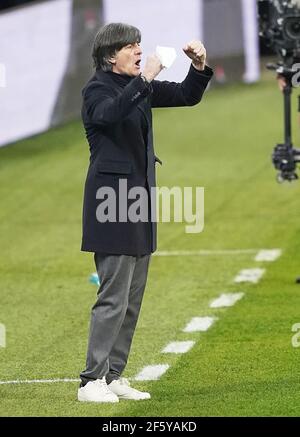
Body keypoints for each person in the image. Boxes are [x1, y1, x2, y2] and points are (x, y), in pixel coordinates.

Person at [78, 22, 213, 403]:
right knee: (113, 296)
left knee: (132, 298)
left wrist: (199, 66)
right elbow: (108, 115)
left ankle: (115, 375)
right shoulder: (98, 89)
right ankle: (91, 380)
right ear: (110, 55)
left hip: (138, 201)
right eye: (131, 46)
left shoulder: (136, 86)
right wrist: (147, 77)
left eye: (139, 45)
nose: (139, 50)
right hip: (111, 203)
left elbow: (187, 95)